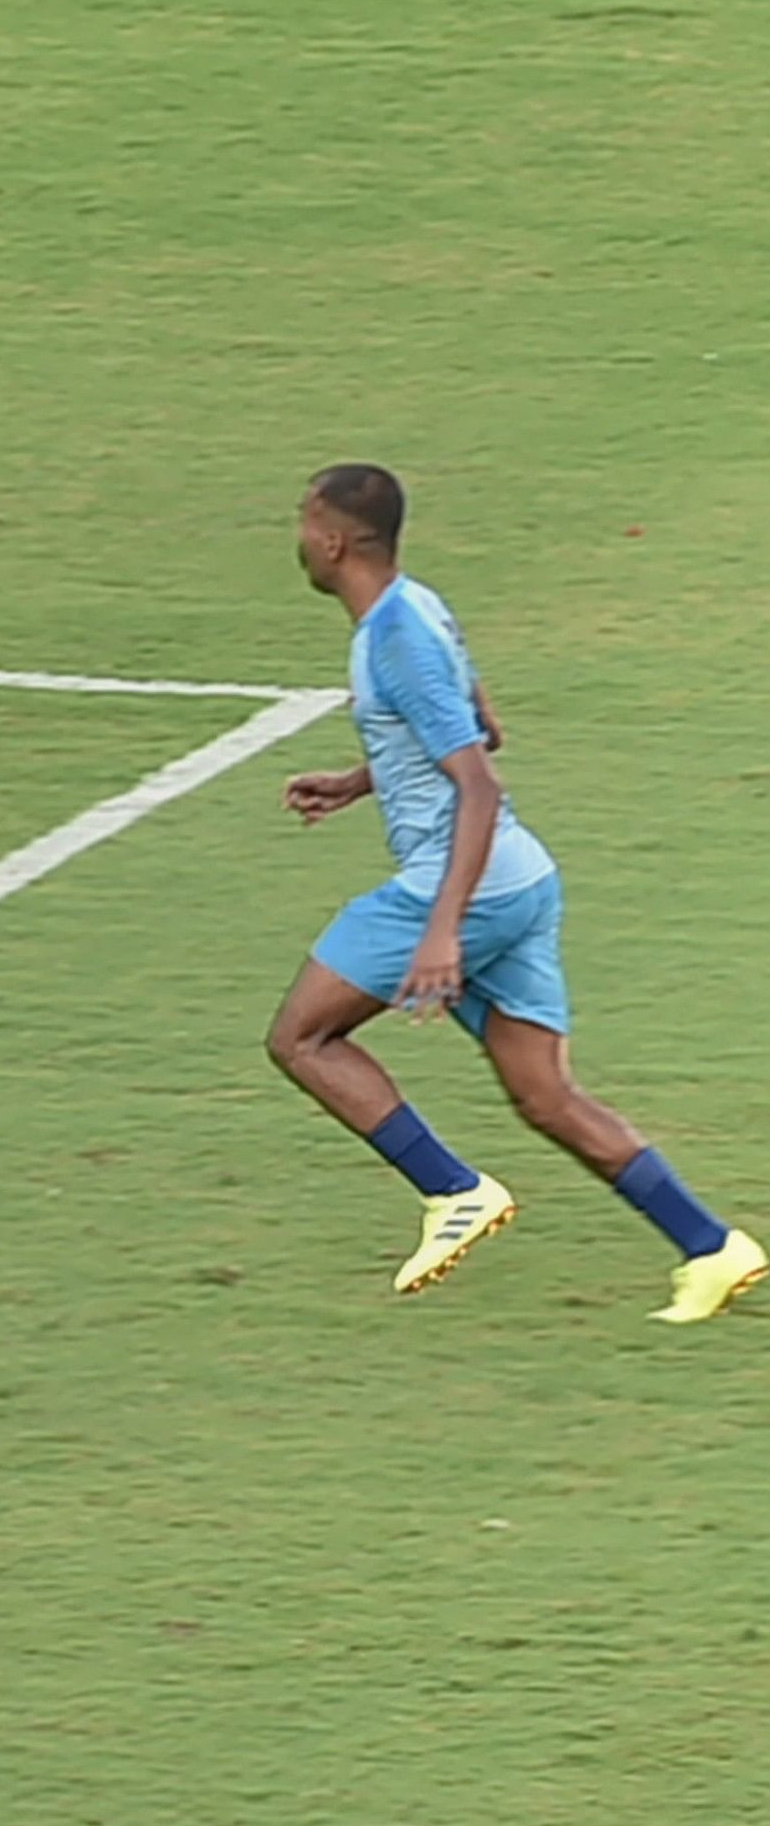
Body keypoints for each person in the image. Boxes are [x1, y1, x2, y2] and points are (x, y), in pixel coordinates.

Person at [262, 462, 762, 1320]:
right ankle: (713, 1248)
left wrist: (439, 934)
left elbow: (477, 784)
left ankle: (452, 1190)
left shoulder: (394, 637)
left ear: (334, 538)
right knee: (546, 1098)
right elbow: (478, 728)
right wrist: (360, 779)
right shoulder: (420, 606)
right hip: (520, 882)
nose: (298, 539)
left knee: (301, 1038)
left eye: (304, 523)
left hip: (464, 887)